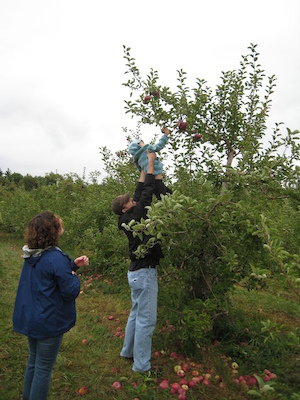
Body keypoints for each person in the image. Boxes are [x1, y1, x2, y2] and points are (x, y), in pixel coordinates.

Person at [13, 211, 89, 400]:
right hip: (48, 322)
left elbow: (48, 273)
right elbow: (70, 291)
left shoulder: (31, 254)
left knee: (34, 362)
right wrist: (74, 277)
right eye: (58, 223)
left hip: (32, 318)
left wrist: (73, 265)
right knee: (43, 369)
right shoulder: (55, 257)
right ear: (53, 231)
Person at [111, 150, 164, 373]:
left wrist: (143, 167)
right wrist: (151, 165)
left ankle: (127, 351)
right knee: (146, 320)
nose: (133, 199)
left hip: (135, 274)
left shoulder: (128, 216)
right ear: (126, 208)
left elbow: (139, 192)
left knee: (135, 313)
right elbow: (146, 194)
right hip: (144, 273)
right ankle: (141, 366)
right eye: (129, 201)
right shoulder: (137, 215)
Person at [128, 126, 172, 199]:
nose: (144, 142)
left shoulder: (138, 159)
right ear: (139, 145)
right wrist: (165, 135)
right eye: (142, 142)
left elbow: (140, 169)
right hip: (157, 179)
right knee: (165, 199)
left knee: (168, 193)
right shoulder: (147, 149)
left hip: (150, 180)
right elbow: (159, 146)